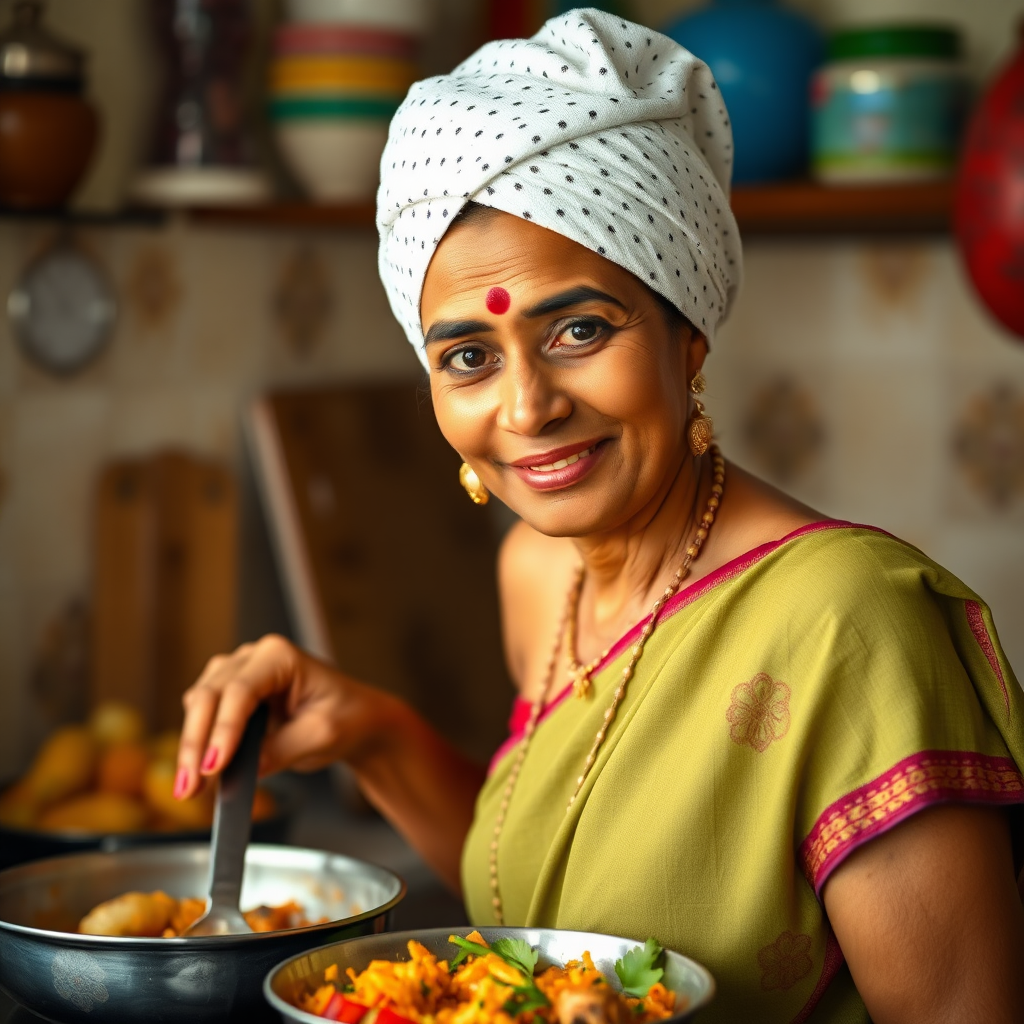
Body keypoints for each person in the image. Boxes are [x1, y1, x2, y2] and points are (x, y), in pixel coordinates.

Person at [174, 11, 1024, 1023]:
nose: (527, 408)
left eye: (579, 328)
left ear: (687, 334)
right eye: (468, 358)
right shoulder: (539, 574)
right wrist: (377, 736)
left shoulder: (852, 624)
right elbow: (547, 918)